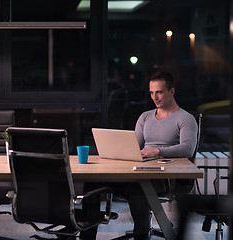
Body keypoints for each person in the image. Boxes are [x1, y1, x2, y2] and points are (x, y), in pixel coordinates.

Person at [80, 71, 198, 240]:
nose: (154, 97)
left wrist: (157, 151)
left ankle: (141, 235)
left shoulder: (185, 118)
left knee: (139, 187)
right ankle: (87, 237)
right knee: (92, 183)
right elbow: (134, 145)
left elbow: (188, 148)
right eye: (151, 92)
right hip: (140, 171)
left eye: (159, 92)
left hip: (165, 177)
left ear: (172, 91)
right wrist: (118, 150)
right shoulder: (145, 117)